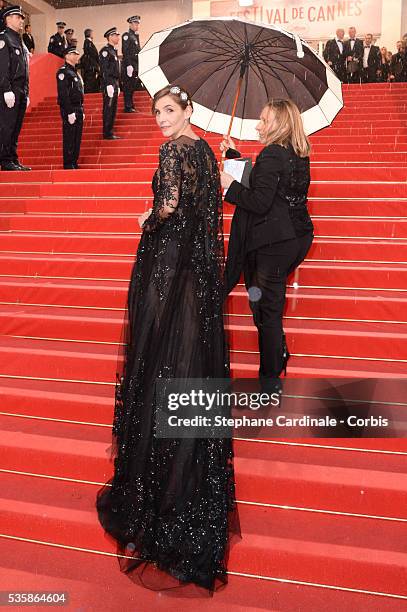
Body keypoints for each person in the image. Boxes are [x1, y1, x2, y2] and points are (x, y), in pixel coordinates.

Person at [96, 84, 241, 595]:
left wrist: (147, 214)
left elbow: (170, 205)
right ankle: (187, 485)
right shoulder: (203, 149)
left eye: (168, 111)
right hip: (195, 283)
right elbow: (204, 211)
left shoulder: (175, 149)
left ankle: (156, 491)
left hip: (166, 273)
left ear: (188, 111)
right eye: (157, 111)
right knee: (186, 364)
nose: (160, 119)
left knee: (156, 363)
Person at [220, 99, 314, 387]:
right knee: (263, 305)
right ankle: (278, 353)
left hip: (274, 243)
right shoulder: (297, 153)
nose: (258, 125)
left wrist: (229, 186)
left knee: (267, 311)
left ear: (281, 123)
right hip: (294, 239)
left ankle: (270, 382)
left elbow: (259, 201)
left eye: (264, 120)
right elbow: (266, 187)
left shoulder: (272, 153)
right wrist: (234, 155)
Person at [0, 5, 31, 171]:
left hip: (20, 90)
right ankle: (5, 160)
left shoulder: (19, 40)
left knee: (17, 126)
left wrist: (27, 92)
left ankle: (12, 158)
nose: (21, 20)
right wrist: (6, 89)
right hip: (10, 90)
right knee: (8, 125)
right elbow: (3, 67)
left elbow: (25, 69)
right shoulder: (4, 39)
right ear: (8, 19)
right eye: (18, 17)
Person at [56, 46, 84, 170]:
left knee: (77, 137)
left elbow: (79, 92)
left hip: (78, 107)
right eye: (74, 53)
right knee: (69, 136)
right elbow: (63, 94)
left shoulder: (75, 72)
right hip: (70, 108)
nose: (77, 55)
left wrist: (82, 109)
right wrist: (69, 111)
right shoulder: (63, 72)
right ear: (67, 56)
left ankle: (74, 161)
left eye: (77, 54)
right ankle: (68, 163)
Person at [99, 27, 121, 139]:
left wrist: (117, 84)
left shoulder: (112, 50)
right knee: (109, 108)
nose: (118, 37)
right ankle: (107, 132)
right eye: (116, 35)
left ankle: (109, 131)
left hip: (114, 82)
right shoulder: (105, 51)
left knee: (113, 108)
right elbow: (104, 69)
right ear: (110, 37)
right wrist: (108, 85)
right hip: (109, 82)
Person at [121, 15, 141, 112]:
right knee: (128, 86)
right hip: (130, 65)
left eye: (137, 23)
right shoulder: (127, 35)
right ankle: (128, 106)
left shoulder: (135, 36)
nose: (137, 25)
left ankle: (130, 105)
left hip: (135, 65)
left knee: (132, 86)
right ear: (130, 24)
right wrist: (128, 65)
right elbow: (125, 51)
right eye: (135, 23)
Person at [80, 28, 100, 93]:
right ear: (90, 34)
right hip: (91, 66)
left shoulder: (89, 42)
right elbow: (92, 55)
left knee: (93, 82)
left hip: (92, 65)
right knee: (90, 82)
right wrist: (96, 64)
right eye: (92, 33)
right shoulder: (88, 42)